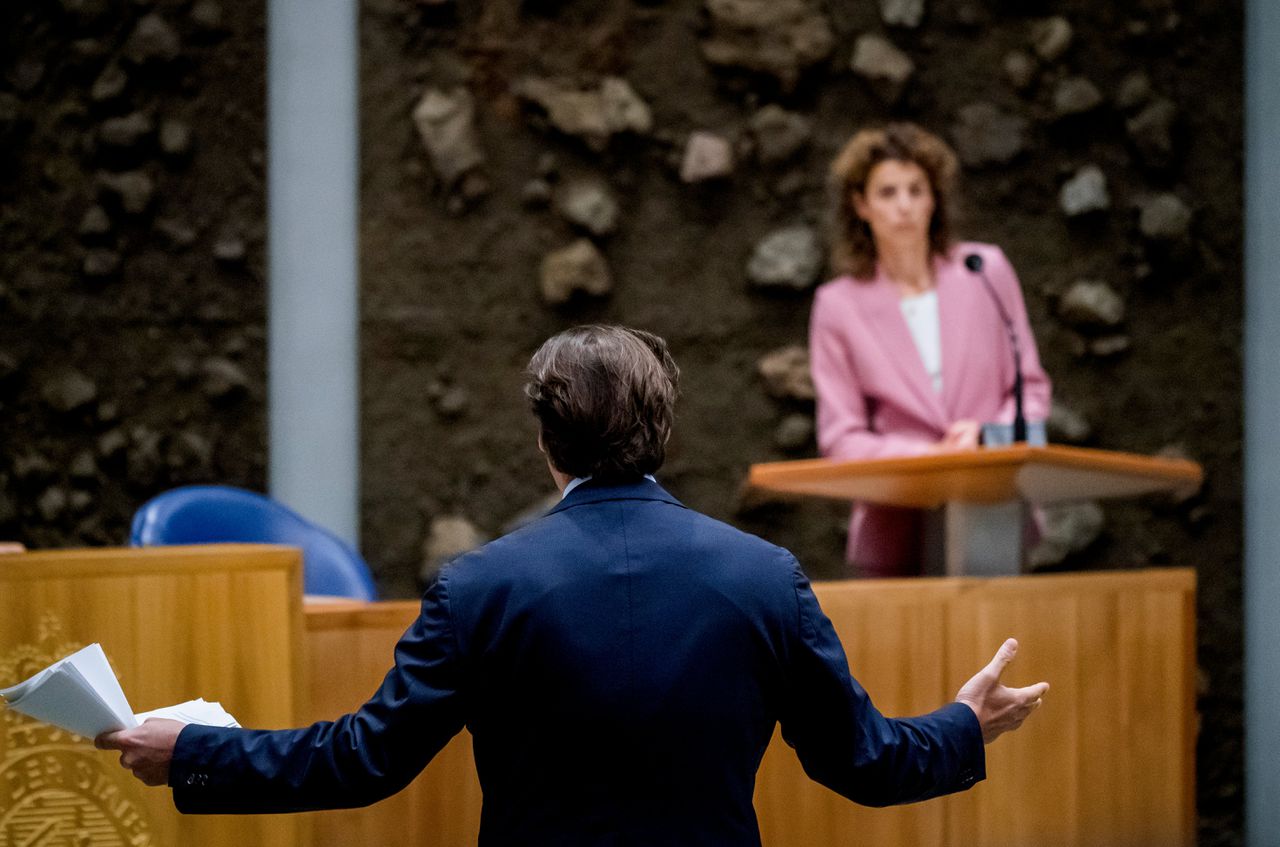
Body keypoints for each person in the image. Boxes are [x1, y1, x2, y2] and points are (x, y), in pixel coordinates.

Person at [99, 325, 1048, 845]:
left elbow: (360, 762)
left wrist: (197, 750)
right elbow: (866, 761)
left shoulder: (479, 586)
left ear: (546, 441)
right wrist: (965, 721)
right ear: (662, 433)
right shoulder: (764, 577)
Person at [810, 123, 1052, 577]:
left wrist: (984, 435)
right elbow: (841, 438)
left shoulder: (985, 271)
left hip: (991, 511)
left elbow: (1031, 391)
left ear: (934, 198)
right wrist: (930, 457)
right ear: (860, 205)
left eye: (916, 189)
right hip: (895, 523)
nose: (904, 206)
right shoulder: (837, 305)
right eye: (887, 192)